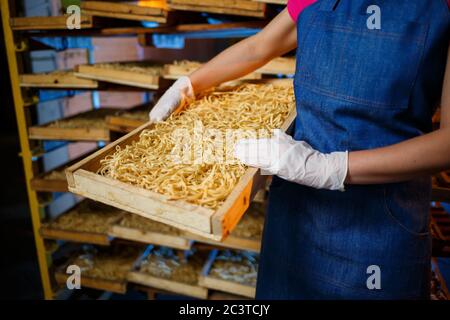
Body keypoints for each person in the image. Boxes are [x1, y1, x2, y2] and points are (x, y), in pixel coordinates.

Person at [149, 0, 450, 299]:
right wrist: (189, 84)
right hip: (295, 216)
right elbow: (260, 46)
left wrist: (328, 168)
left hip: (380, 228)